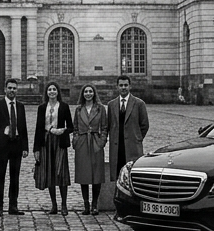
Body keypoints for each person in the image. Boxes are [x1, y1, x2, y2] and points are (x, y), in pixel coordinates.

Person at [0, 78, 28, 216]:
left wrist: (25, 147)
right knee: (0, 176)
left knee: (15, 177)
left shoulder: (21, 106)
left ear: (17, 90)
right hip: (2, 146)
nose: (12, 90)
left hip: (16, 144)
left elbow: (23, 128)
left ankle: (13, 206)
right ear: (5, 89)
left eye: (14, 88)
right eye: (10, 88)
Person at [34, 81, 72, 215]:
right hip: (45, 141)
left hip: (59, 142)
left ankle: (64, 204)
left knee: (61, 172)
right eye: (49, 89)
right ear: (46, 92)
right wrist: (36, 149)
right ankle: (54, 205)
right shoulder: (41, 107)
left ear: (58, 92)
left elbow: (71, 127)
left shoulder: (64, 107)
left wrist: (62, 130)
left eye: (54, 89)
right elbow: (38, 128)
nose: (52, 92)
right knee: (49, 172)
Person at [71, 84, 107, 214]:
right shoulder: (78, 109)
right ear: (82, 94)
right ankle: (86, 204)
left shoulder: (100, 109)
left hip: (95, 143)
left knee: (96, 174)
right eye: (86, 91)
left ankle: (95, 204)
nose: (88, 94)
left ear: (94, 93)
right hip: (82, 144)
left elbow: (104, 127)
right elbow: (75, 127)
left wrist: (101, 142)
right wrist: (76, 140)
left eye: (90, 91)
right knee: (83, 175)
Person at [108, 75, 149, 179]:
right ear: (117, 87)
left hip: (132, 147)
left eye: (126, 85)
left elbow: (144, 125)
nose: (123, 87)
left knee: (132, 175)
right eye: (121, 85)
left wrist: (137, 138)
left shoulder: (139, 104)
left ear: (130, 86)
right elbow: (108, 125)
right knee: (118, 175)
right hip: (117, 147)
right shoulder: (111, 105)